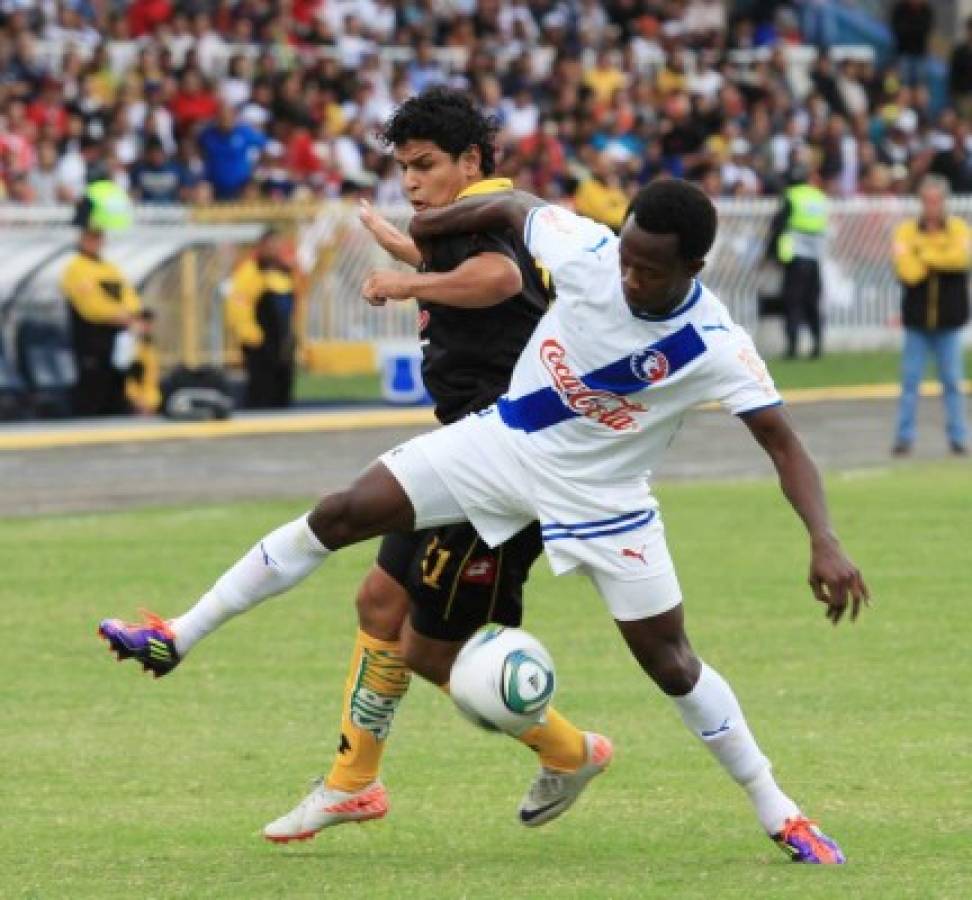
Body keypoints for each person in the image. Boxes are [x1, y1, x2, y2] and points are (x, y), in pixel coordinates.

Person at [99, 179, 869, 864]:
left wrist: (825, 541)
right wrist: (427, 238)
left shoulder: (714, 346)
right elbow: (509, 206)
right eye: (628, 256)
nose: (629, 275)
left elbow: (784, 442)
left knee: (670, 663)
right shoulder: (587, 248)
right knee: (341, 514)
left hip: (606, 504)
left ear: (693, 271)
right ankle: (179, 634)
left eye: (650, 269)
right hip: (500, 447)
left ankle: (781, 812)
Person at [108, 88, 604, 841]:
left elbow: (500, 280)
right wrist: (408, 250)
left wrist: (410, 280)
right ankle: (351, 781)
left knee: (436, 656)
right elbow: (499, 282)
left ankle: (572, 752)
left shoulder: (492, 213)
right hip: (461, 456)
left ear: (471, 162)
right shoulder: (472, 222)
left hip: (502, 473)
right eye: (403, 167)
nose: (411, 182)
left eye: (426, 165)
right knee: (378, 602)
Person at [890, 175, 970, 456]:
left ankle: (959, 437)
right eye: (927, 201)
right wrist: (938, 254)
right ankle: (904, 437)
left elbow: (960, 259)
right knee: (910, 383)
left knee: (952, 382)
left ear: (944, 202)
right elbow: (907, 272)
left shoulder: (959, 228)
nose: (932, 206)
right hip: (917, 321)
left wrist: (922, 252)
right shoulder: (905, 231)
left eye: (937, 201)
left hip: (949, 320)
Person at [60, 182, 141, 416]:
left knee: (116, 390)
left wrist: (133, 314)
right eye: (92, 236)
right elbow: (91, 306)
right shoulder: (76, 268)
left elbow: (129, 295)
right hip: (91, 342)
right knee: (91, 392)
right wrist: (123, 317)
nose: (97, 241)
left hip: (116, 343)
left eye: (99, 236)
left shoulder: (109, 268)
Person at [225, 229, 299, 410]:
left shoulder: (284, 273)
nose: (275, 250)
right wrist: (250, 335)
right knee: (261, 393)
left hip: (282, 343)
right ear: (262, 246)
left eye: (278, 246)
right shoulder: (249, 272)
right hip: (259, 343)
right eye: (271, 246)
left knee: (282, 393)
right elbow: (238, 306)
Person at [765, 164, 828, 359]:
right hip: (815, 257)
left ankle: (792, 347)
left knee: (792, 303)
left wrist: (769, 253)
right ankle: (817, 345)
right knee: (812, 303)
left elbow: (778, 226)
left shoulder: (791, 196)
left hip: (794, 257)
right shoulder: (818, 197)